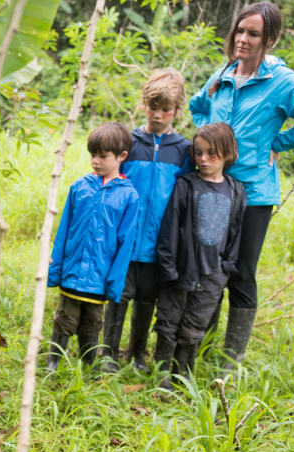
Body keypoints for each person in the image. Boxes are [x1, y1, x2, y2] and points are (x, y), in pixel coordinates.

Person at [189, 1, 294, 368]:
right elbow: (198, 106)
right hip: (213, 188)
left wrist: (278, 143)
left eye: (253, 33)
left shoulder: (283, 83)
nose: (242, 39)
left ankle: (231, 361)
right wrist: (205, 141)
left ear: (269, 39)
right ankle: (200, 346)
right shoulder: (223, 74)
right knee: (210, 268)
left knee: (241, 272)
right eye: (240, 31)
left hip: (254, 193)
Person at [101, 68, 192, 374]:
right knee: (119, 294)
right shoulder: (129, 141)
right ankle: (108, 353)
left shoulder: (182, 150)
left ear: (177, 111)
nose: (158, 115)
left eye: (166, 110)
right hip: (125, 239)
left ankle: (137, 354)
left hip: (158, 243)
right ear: (144, 105)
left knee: (146, 298)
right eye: (153, 108)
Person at [153, 123, 246, 389]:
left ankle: (183, 376)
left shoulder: (237, 191)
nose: (203, 159)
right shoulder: (186, 185)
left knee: (194, 326)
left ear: (228, 154)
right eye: (198, 152)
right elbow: (170, 228)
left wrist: (225, 269)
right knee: (168, 320)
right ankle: (161, 375)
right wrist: (169, 267)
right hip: (181, 270)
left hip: (214, 274)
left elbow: (236, 232)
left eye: (211, 153)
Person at [46, 122, 140, 373]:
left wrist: (114, 282)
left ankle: (88, 365)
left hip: (101, 276)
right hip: (72, 270)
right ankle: (53, 362)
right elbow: (64, 231)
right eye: (92, 155)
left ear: (121, 157)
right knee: (64, 318)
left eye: (102, 156)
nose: (95, 161)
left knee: (93, 321)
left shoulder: (129, 196)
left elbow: (125, 245)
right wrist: (56, 268)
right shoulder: (80, 187)